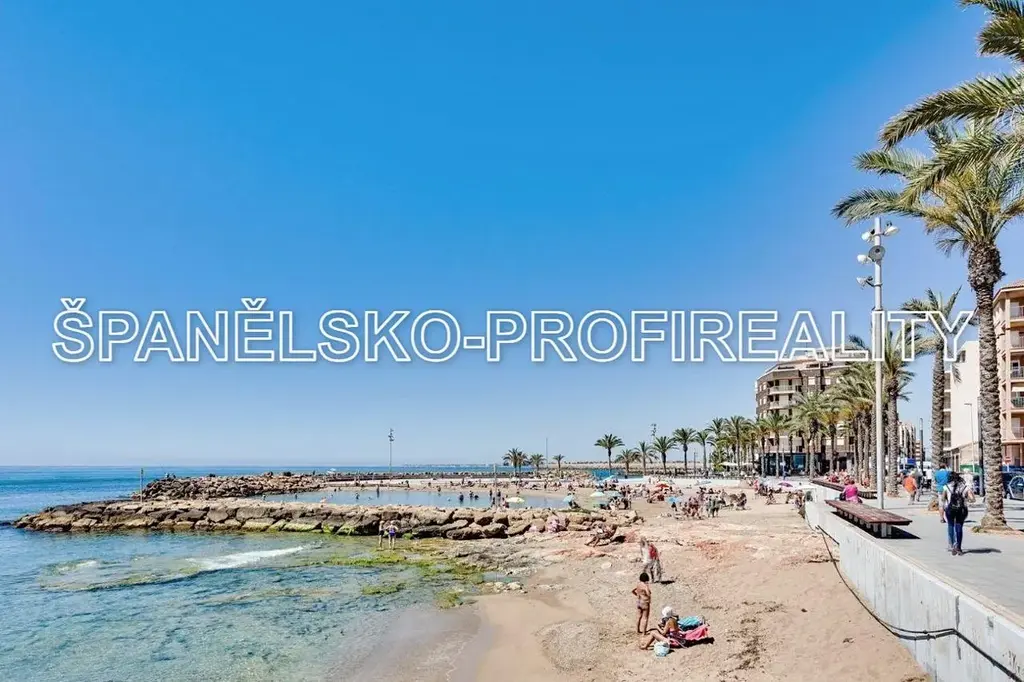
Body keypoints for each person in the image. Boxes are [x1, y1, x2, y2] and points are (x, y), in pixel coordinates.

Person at [942, 472, 970, 555]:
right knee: (959, 526)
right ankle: (959, 547)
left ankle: (952, 545)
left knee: (950, 525)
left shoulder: (946, 487)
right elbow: (972, 499)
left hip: (950, 509)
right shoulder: (965, 487)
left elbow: (943, 499)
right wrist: (965, 499)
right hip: (962, 509)